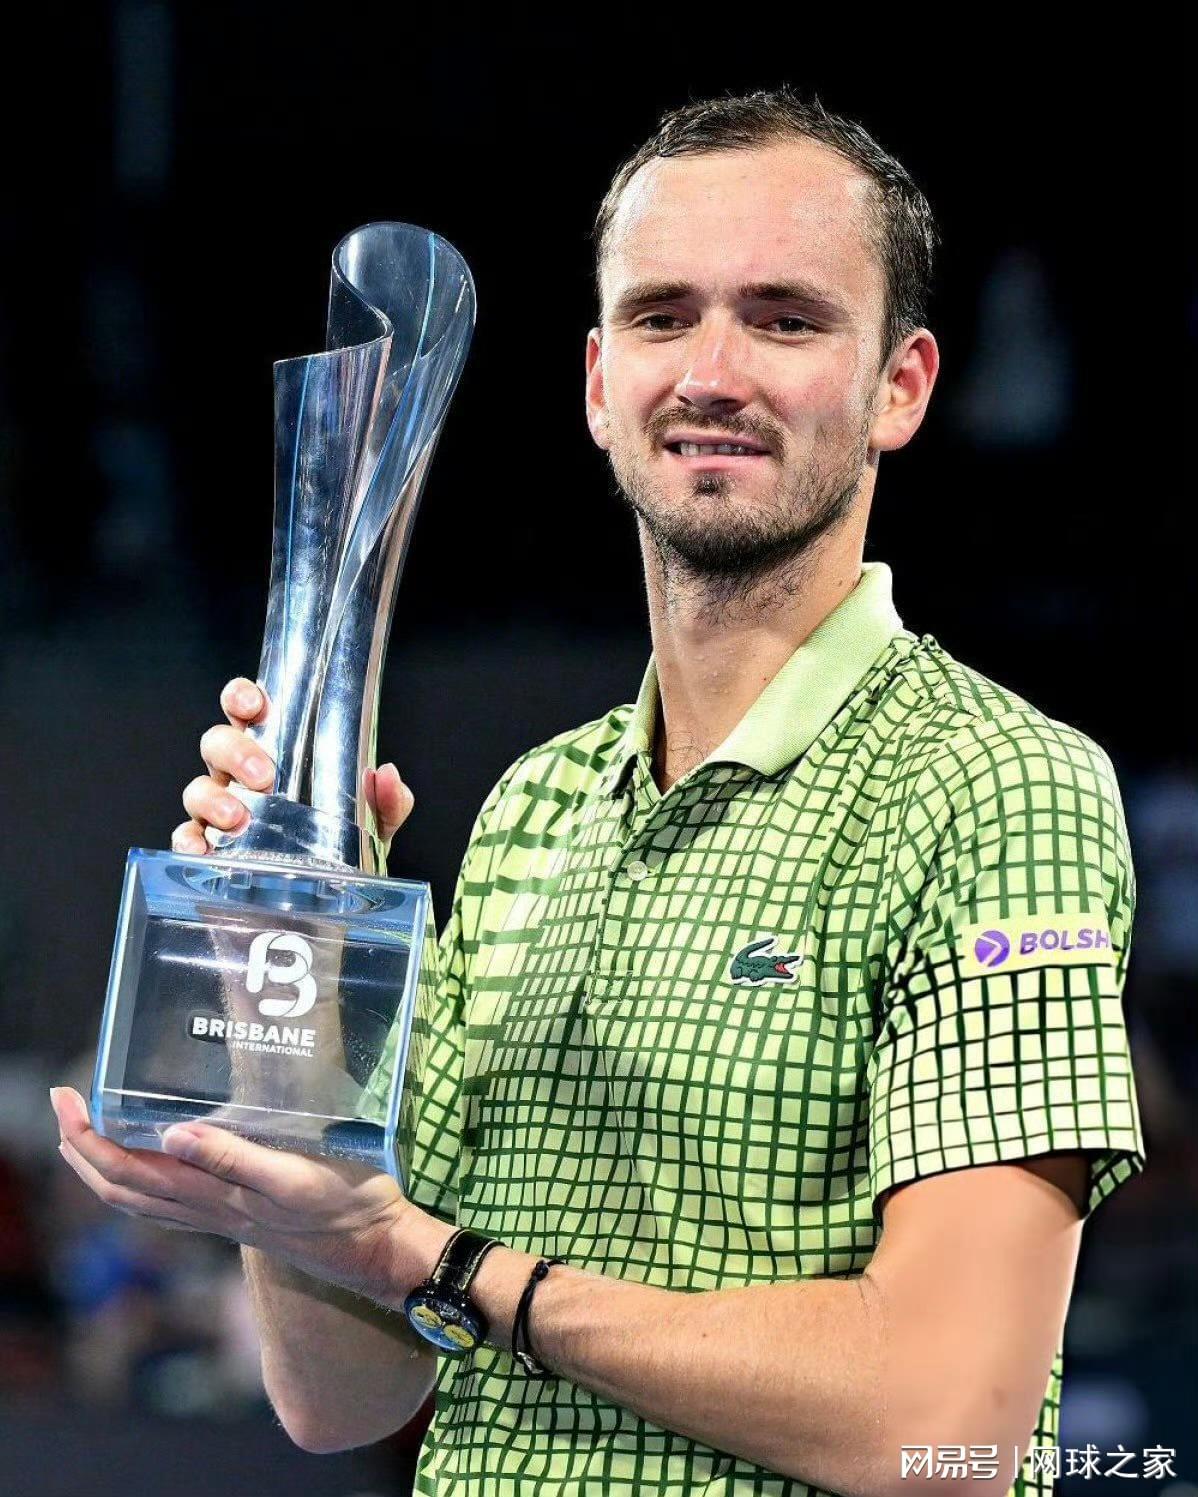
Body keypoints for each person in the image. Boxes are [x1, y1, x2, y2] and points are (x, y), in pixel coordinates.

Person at [51, 88, 1145, 1497]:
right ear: (594, 381)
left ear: (902, 385)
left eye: (785, 319)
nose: (712, 372)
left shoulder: (996, 784)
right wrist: (294, 997)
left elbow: (954, 1433)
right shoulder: (532, 808)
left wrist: (438, 1261)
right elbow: (342, 1394)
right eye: (661, 315)